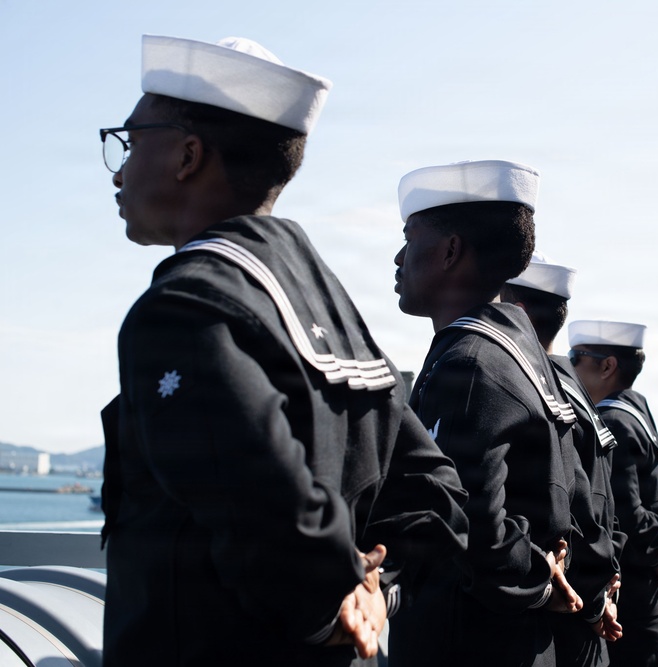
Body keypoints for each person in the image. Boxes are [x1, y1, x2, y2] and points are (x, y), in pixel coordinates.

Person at [98, 35, 468, 667]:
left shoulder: (187, 305)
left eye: (130, 143)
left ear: (188, 155)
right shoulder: (329, 302)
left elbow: (257, 498)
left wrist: (326, 608)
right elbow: (438, 497)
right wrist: (377, 590)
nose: (118, 168)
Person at [390, 160, 584, 667]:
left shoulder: (472, 362)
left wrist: (540, 579)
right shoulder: (518, 353)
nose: (398, 257)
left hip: (468, 641)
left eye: (409, 239)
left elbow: (471, 520)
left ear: (451, 250)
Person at [502, 253, 624, 666]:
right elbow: (604, 504)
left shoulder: (543, 389)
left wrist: (591, 602)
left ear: (515, 311)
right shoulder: (575, 391)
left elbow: (577, 507)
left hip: (564, 613)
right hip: (587, 603)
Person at [568, 320, 658, 667]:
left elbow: (627, 514)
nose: (569, 364)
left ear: (607, 366)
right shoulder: (638, 409)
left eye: (576, 356)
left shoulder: (612, 420)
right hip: (650, 600)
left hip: (630, 606)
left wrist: (655, 549)